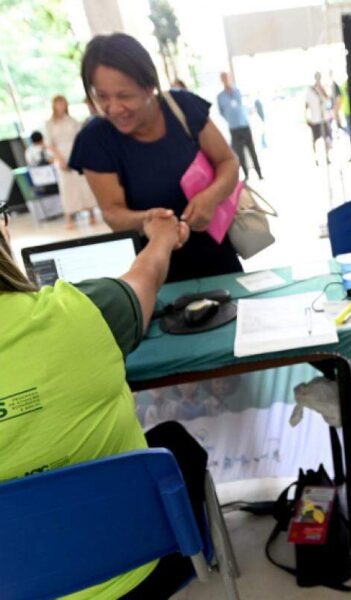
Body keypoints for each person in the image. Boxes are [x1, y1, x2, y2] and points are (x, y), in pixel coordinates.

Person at [0, 202, 211, 598]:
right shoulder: (82, 311)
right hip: (140, 573)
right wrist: (162, 237)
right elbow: (146, 275)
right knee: (174, 442)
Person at [69, 33, 242, 282]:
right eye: (102, 97)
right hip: (154, 273)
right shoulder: (95, 139)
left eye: (124, 95)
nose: (114, 108)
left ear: (150, 86)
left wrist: (210, 197)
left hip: (218, 256)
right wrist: (148, 221)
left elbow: (228, 161)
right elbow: (112, 212)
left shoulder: (183, 107)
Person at [45, 95, 98, 228]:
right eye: (58, 104)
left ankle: (91, 213)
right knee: (66, 187)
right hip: (61, 155)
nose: (61, 106)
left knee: (83, 184)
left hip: (76, 153)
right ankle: (69, 217)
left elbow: (80, 138)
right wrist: (60, 159)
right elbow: (50, 144)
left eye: (63, 103)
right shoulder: (49, 124)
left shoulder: (72, 121)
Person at [217, 72, 263, 180]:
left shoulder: (238, 91)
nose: (225, 80)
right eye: (223, 78)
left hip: (244, 126)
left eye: (227, 78)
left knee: (252, 151)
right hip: (234, 128)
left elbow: (247, 106)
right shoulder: (220, 97)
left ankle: (259, 173)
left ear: (230, 78)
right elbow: (221, 112)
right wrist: (230, 119)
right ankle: (246, 174)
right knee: (240, 154)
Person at [305, 72, 332, 165]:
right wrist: (306, 118)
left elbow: (328, 100)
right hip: (315, 120)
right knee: (315, 140)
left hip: (324, 118)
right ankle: (316, 158)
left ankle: (327, 156)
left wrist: (321, 90)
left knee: (327, 138)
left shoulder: (323, 88)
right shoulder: (310, 91)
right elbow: (306, 105)